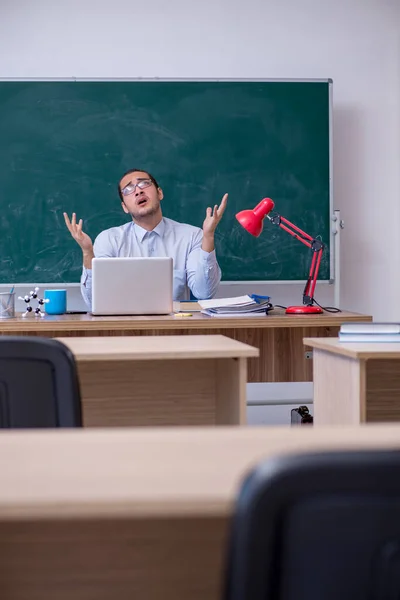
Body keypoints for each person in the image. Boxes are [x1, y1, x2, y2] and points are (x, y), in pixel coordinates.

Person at [64, 169, 228, 308]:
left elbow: (204, 293)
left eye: (144, 184)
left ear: (160, 193)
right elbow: (94, 302)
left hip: (176, 330)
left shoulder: (191, 236)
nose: (138, 191)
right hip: (123, 330)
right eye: (128, 190)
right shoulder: (109, 240)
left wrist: (208, 236)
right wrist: (87, 252)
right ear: (124, 207)